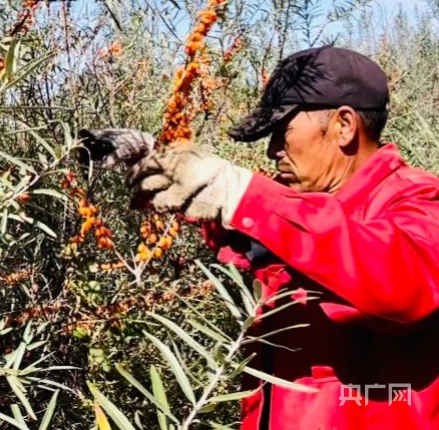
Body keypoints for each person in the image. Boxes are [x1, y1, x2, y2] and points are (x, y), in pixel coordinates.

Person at [125, 46, 439, 430]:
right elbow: (270, 239)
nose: (273, 150)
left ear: (344, 125)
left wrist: (240, 193)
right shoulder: (312, 206)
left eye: (282, 130)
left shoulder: (419, 199)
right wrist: (172, 175)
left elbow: (400, 282)